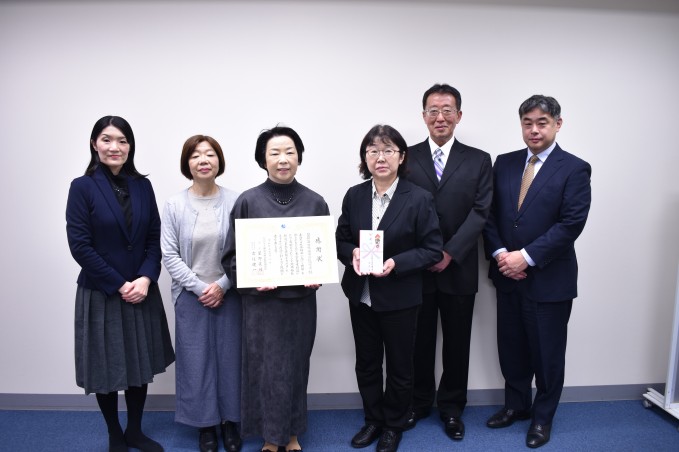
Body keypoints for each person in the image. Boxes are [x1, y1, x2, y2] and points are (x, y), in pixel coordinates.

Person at [482, 95, 591, 448]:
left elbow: (570, 224)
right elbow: (489, 215)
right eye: (527, 123)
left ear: (558, 124)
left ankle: (542, 418)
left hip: (548, 280)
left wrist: (525, 258)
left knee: (547, 355)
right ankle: (517, 406)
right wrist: (502, 255)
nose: (534, 130)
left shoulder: (574, 168)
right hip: (507, 276)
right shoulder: (505, 163)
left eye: (542, 123)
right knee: (511, 348)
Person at [66, 116, 175, 452]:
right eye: (107, 139)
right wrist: (119, 284)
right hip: (102, 292)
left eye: (122, 140)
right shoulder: (82, 187)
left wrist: (145, 277)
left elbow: (154, 237)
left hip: (142, 289)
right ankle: (115, 434)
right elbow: (80, 245)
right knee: (107, 367)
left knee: (139, 363)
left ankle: (135, 431)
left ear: (130, 146)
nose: (115, 147)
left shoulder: (142, 186)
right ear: (94, 144)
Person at [222, 126, 329, 452]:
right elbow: (230, 257)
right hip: (261, 305)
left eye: (289, 152)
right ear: (263, 160)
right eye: (275, 153)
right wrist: (252, 279)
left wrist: (318, 275)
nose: (283, 159)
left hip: (299, 304)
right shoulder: (248, 201)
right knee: (265, 369)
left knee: (296, 368)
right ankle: (270, 436)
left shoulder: (315, 202)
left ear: (299, 157)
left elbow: (321, 254)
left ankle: (293, 433)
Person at [336, 125, 442, 452]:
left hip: (400, 296)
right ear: (364, 157)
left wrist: (397, 262)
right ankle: (373, 419)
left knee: (399, 365)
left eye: (388, 150)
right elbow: (340, 239)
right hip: (362, 294)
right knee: (367, 363)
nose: (380, 157)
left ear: (401, 156)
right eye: (373, 151)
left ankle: (394, 424)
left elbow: (432, 249)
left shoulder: (419, 198)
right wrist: (352, 253)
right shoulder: (354, 195)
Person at [405, 83, 493, 440]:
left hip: (459, 267)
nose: (440, 117)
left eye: (447, 110)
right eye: (433, 110)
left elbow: (481, 211)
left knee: (457, 343)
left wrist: (449, 252)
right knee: (418, 341)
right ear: (423, 115)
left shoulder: (479, 159)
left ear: (459, 115)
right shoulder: (406, 157)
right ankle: (418, 402)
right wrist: (426, 253)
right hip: (417, 269)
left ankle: (453, 408)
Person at [160, 135, 242, 452]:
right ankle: (205, 425)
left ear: (219, 161)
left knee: (231, 359)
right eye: (196, 155)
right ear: (187, 163)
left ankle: (231, 422)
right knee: (195, 362)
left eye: (210, 154)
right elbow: (169, 255)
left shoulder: (236, 201)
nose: (203, 160)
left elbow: (242, 250)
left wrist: (222, 285)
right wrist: (199, 287)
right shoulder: (174, 204)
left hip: (230, 294)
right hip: (190, 295)